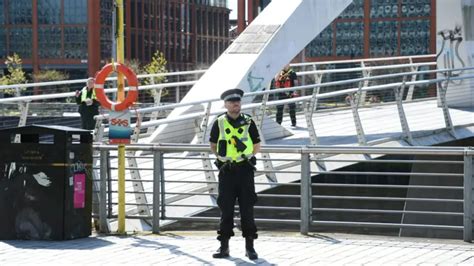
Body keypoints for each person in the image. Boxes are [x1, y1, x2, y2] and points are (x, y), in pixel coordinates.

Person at [209, 88, 261, 260]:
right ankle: (224, 247)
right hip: (227, 171)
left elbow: (256, 143)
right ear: (225, 104)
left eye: (237, 101)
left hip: (245, 170)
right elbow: (213, 144)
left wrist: (247, 157)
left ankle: (250, 247)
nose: (235, 104)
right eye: (231, 102)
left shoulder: (248, 121)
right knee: (226, 209)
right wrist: (222, 159)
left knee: (247, 209)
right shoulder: (219, 122)